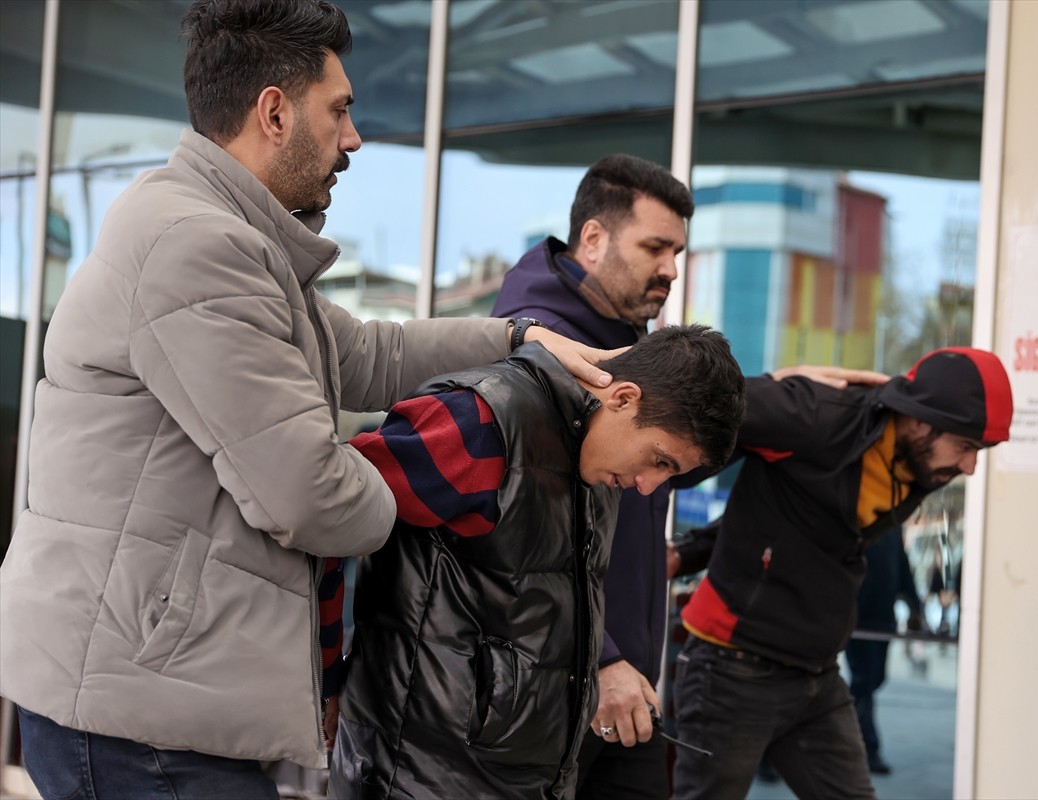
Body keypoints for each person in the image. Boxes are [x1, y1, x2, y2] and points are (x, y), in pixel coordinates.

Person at [0, 2, 616, 797]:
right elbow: (309, 495)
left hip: (150, 691)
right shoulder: (198, 246)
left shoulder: (220, 236)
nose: (352, 139)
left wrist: (517, 339)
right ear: (274, 111)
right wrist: (433, 494)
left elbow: (362, 353)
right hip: (138, 714)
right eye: (341, 111)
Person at [491, 153, 887, 799]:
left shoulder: (624, 343)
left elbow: (660, 470)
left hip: (622, 685)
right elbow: (516, 539)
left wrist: (773, 394)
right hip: (560, 688)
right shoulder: (548, 357)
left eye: (677, 250)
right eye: (655, 247)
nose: (671, 269)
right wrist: (603, 658)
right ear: (592, 239)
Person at [329, 324, 747, 800]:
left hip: (527, 780)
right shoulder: (483, 421)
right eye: (659, 460)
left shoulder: (598, 466)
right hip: (414, 775)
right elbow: (324, 511)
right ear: (624, 399)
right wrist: (323, 674)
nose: (649, 485)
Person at [671, 346, 1013, 800]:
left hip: (815, 675)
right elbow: (693, 407)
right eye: (966, 446)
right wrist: (777, 379)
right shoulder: (817, 415)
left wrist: (690, 551)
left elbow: (790, 518)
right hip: (730, 667)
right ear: (918, 420)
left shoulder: (914, 467)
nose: (970, 467)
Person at [844, 528, 926, 776]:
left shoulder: (891, 528)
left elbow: (901, 567)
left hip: (883, 621)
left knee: (874, 680)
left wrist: (915, 606)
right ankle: (867, 748)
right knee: (864, 684)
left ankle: (847, 732)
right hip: (858, 620)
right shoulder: (857, 524)